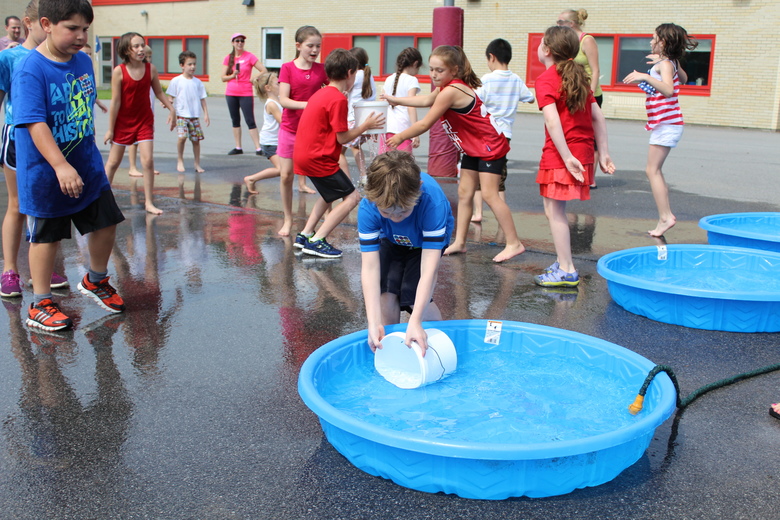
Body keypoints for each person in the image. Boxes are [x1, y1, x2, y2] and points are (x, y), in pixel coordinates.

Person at [12, 0, 126, 330]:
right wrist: (61, 166)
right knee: (46, 237)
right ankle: (40, 304)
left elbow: (82, 111)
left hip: (87, 166)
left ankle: (96, 280)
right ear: (46, 24)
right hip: (47, 172)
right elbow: (35, 123)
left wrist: (83, 160)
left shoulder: (84, 61)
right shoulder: (31, 69)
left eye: (85, 29)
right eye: (72, 28)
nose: (80, 36)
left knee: (106, 221)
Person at [384, 45, 525, 263]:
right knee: (464, 193)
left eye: (439, 70)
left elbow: (425, 123)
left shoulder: (451, 91)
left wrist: (401, 136)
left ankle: (514, 243)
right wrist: (397, 100)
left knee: (489, 194)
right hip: (473, 147)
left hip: (489, 147)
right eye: (431, 69)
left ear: (454, 70)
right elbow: (424, 100)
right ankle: (460, 241)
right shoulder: (445, 88)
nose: (433, 75)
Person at [532, 25, 615, 287]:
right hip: (578, 150)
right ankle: (562, 258)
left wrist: (566, 156)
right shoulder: (578, 76)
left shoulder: (546, 79)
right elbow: (598, 117)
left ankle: (567, 269)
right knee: (552, 208)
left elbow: (553, 122)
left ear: (546, 49)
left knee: (555, 211)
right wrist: (604, 154)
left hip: (562, 153)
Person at [0, 0, 69, 298]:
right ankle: (10, 270)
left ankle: (39, 267)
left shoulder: (62, 56)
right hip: (18, 138)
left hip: (51, 140)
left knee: (46, 206)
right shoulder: (10, 58)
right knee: (18, 205)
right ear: (33, 23)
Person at [359, 150, 454, 355]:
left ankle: (441, 343)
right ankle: (390, 346)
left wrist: (415, 320)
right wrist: (373, 323)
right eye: (386, 212)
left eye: (403, 211)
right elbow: (370, 267)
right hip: (392, 238)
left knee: (413, 296)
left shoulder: (432, 202)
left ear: (418, 190)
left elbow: (429, 270)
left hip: (424, 242)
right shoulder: (369, 205)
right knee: (387, 291)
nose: (395, 218)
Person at [293, 48, 384, 258]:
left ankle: (305, 234)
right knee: (352, 197)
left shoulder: (323, 92)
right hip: (318, 157)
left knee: (328, 194)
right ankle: (317, 240)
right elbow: (342, 138)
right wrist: (366, 126)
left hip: (306, 154)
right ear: (350, 72)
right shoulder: (338, 99)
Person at [623, 23, 696, 237]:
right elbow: (682, 79)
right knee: (656, 171)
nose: (650, 41)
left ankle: (666, 217)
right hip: (667, 123)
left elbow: (669, 89)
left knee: (651, 170)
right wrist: (670, 62)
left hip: (666, 124)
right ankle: (664, 216)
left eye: (653, 38)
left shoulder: (666, 64)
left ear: (663, 42)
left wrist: (645, 76)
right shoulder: (669, 62)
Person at [103, 32, 176, 215]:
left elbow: (159, 92)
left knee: (148, 161)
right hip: (123, 122)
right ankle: (100, 200)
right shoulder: (119, 71)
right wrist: (110, 129)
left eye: (142, 45)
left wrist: (172, 109)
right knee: (112, 163)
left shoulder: (150, 69)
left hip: (144, 121)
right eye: (136, 46)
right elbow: (116, 102)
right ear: (127, 50)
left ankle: (149, 202)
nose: (141, 49)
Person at [471, 38, 534, 222]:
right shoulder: (516, 79)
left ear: (492, 57)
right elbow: (530, 98)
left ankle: (478, 213)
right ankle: (501, 215)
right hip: (504, 135)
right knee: (499, 176)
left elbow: (475, 100)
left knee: (477, 175)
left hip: (484, 133)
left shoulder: (487, 80)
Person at [277, 25, 328, 236]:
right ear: (298, 46)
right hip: (290, 129)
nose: (315, 50)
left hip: (313, 131)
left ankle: (327, 213)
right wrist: (309, 104)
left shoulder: (322, 69)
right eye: (310, 46)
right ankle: (288, 219)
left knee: (323, 175)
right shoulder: (287, 68)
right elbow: (283, 99)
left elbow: (336, 88)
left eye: (318, 46)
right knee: (286, 175)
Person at [557, 8, 603, 188]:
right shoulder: (566, 41)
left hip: (589, 93)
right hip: (572, 93)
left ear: (571, 24)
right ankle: (576, 172)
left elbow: (596, 69)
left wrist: (589, 95)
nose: (558, 25)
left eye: (560, 22)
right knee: (574, 134)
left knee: (591, 137)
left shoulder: (587, 40)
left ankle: (591, 178)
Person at [221, 32, 266, 155]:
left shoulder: (249, 56)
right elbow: (223, 77)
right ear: (233, 43)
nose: (240, 43)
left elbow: (263, 70)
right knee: (235, 119)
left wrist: (254, 78)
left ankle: (258, 148)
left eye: (242, 41)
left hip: (245, 92)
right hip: (231, 92)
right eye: (237, 41)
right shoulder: (228, 58)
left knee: (250, 119)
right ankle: (238, 147)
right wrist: (232, 75)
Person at [166, 50, 209, 173]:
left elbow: (202, 99)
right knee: (182, 137)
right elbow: (170, 97)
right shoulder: (176, 81)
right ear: (182, 65)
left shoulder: (198, 82)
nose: (193, 67)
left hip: (194, 116)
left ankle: (197, 164)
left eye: (194, 64)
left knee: (196, 140)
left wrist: (206, 114)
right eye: (189, 64)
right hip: (181, 115)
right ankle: (180, 160)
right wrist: (170, 111)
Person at [243, 71, 282, 194]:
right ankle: (251, 178)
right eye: (278, 83)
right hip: (270, 142)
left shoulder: (279, 99)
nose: (280, 85)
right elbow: (283, 121)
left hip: (277, 140)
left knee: (286, 168)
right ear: (268, 88)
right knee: (281, 169)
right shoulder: (272, 104)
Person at [380, 47, 422, 154]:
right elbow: (411, 105)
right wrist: (415, 131)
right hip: (404, 130)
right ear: (415, 64)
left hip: (387, 128)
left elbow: (382, 104)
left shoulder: (389, 78)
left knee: (385, 165)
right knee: (404, 166)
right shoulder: (412, 80)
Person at [342, 47, 376, 174]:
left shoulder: (355, 76)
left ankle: (347, 181)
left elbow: (343, 89)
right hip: (366, 119)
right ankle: (363, 175)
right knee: (356, 146)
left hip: (353, 119)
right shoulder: (368, 75)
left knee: (337, 152)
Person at [127, 45, 158, 178]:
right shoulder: (135, 73)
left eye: (150, 56)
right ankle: (132, 167)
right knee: (133, 142)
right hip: (135, 114)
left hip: (148, 113)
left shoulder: (150, 72)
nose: (148, 59)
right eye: (146, 56)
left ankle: (148, 167)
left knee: (148, 141)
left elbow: (157, 92)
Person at [80, 43, 107, 113]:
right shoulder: (74, 70)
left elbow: (90, 89)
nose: (89, 56)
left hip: (88, 108)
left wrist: (99, 103)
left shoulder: (89, 68)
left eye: (90, 54)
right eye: (86, 53)